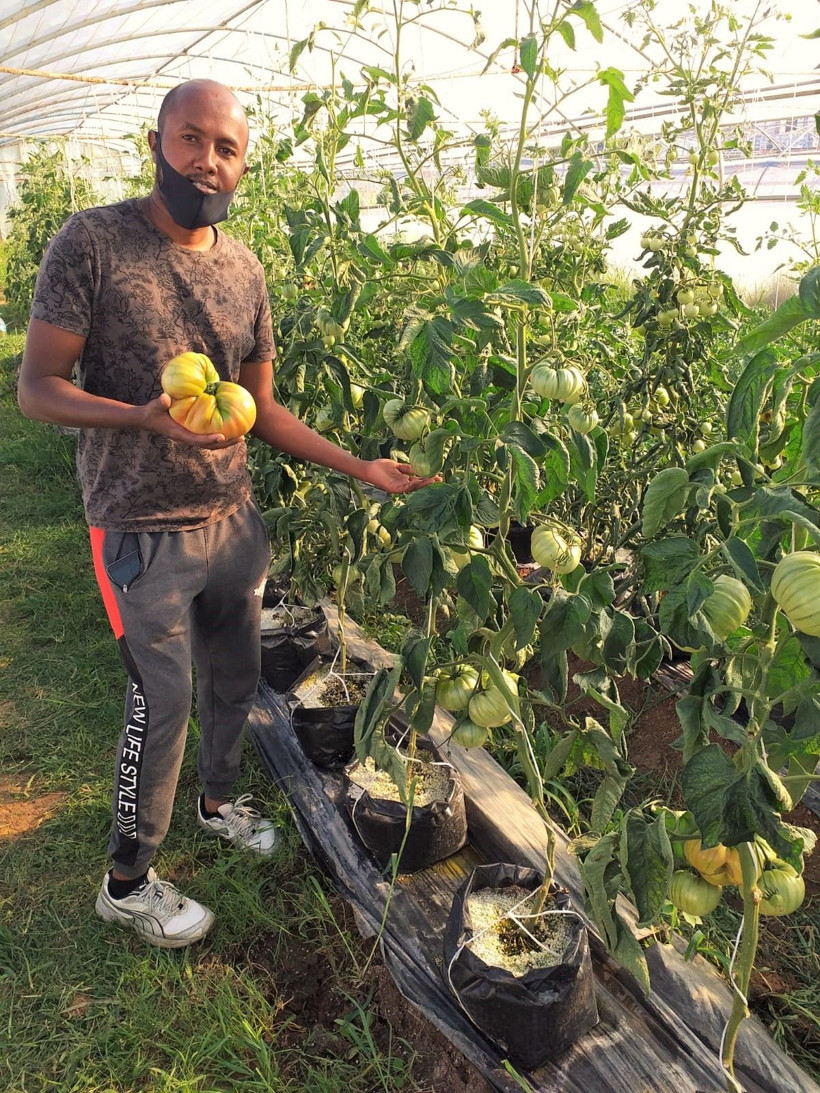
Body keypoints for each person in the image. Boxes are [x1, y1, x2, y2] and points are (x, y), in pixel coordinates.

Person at [17, 79, 435, 949]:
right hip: (138, 528)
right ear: (156, 141)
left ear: (245, 162)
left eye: (226, 147)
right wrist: (134, 416)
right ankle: (126, 879)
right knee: (160, 701)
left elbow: (261, 407)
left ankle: (218, 801)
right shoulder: (91, 241)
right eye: (190, 139)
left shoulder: (244, 268)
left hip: (231, 519)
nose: (206, 159)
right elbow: (37, 388)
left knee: (236, 680)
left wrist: (360, 465)